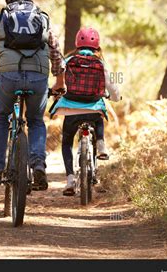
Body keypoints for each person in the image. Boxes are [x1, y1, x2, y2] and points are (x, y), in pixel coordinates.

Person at [0, 0, 65, 190]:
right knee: (36, 121)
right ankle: (38, 164)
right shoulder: (43, 18)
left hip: (8, 77)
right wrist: (60, 81)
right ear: (31, 0)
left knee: (0, 117)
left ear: (8, 1)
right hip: (38, 78)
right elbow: (56, 52)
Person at [50, 27, 120, 196]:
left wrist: (54, 93)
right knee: (99, 115)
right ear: (97, 46)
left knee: (66, 143)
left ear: (77, 43)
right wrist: (116, 97)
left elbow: (59, 81)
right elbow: (112, 88)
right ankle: (101, 143)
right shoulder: (100, 64)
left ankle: (70, 179)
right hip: (92, 107)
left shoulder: (68, 61)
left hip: (71, 108)